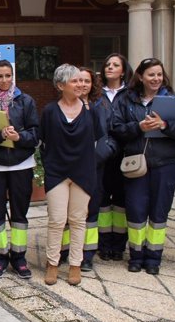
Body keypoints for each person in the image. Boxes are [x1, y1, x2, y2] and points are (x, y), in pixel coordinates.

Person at [111, 58, 175, 275]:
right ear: (141, 77)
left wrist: (165, 125)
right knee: (135, 211)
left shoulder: (174, 99)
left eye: (159, 75)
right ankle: (136, 256)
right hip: (136, 164)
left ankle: (153, 258)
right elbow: (115, 128)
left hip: (166, 164)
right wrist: (138, 126)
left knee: (159, 213)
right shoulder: (126, 99)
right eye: (151, 74)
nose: (156, 79)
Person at [0, 59, 39, 279]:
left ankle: (19, 257)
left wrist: (19, 137)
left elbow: (35, 134)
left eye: (8, 76)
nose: (4, 80)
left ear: (13, 76)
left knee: (20, 212)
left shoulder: (26, 101)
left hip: (21, 163)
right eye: (0, 76)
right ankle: (0, 257)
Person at [40, 64, 97, 286]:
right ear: (61, 85)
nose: (80, 85)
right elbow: (43, 141)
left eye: (81, 81)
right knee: (56, 220)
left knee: (77, 219)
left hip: (83, 172)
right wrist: (48, 165)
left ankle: (75, 264)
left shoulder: (92, 110)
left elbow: (99, 137)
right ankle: (52, 263)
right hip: (57, 172)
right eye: (74, 81)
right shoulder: (49, 111)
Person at [59, 67, 116, 271]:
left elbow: (109, 136)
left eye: (87, 81)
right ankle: (65, 250)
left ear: (93, 85)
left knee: (90, 211)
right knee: (67, 212)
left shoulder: (100, 107)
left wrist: (100, 156)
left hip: (94, 167)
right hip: (67, 168)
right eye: (78, 80)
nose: (82, 84)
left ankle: (87, 253)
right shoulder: (61, 106)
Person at [97, 53, 133, 262]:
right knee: (101, 201)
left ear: (123, 70)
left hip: (123, 154)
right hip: (101, 155)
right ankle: (103, 244)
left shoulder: (130, 94)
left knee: (120, 202)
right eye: (107, 64)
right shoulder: (97, 94)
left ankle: (118, 246)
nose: (110, 67)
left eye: (115, 65)